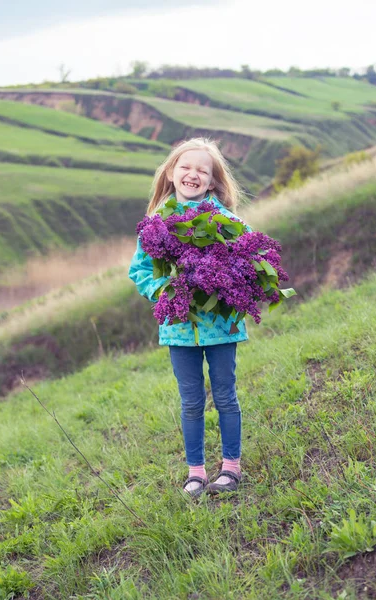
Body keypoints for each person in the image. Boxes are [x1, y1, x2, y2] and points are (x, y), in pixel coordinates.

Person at [129, 138, 249, 498]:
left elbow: (246, 263)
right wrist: (167, 290)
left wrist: (225, 281)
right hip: (179, 328)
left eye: (202, 170)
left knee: (226, 395)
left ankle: (231, 468)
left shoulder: (226, 221)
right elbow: (140, 272)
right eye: (185, 167)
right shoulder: (155, 225)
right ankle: (195, 473)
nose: (192, 174)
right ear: (171, 172)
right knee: (191, 401)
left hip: (221, 326)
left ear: (213, 182)